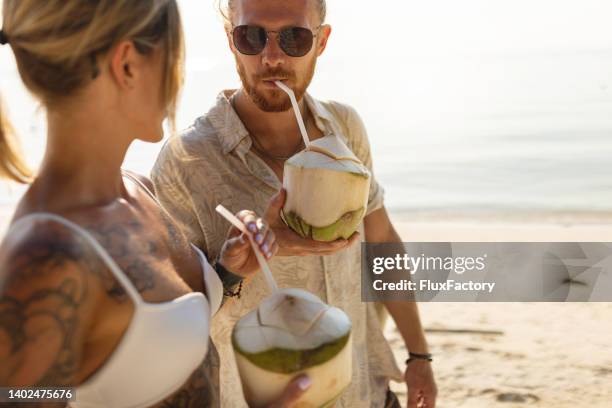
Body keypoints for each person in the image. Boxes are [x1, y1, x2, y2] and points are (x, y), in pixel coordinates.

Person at [0, 1, 308, 407]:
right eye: (175, 58)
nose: (179, 79)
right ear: (128, 64)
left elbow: (145, 333)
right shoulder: (48, 256)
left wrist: (228, 272)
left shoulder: (135, 189)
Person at [152, 0, 438, 407]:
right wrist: (236, 268)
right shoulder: (186, 161)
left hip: (366, 391)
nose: (272, 58)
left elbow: (382, 242)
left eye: (294, 37)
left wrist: (418, 354)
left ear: (321, 41)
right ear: (230, 40)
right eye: (251, 37)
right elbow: (173, 319)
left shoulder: (345, 130)